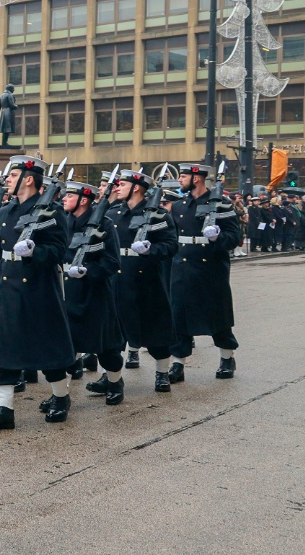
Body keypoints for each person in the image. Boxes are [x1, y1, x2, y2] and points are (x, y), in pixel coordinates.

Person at [0, 156, 74, 432]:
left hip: (38, 289)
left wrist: (35, 252)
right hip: (8, 287)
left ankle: (60, 397)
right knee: (4, 349)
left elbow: (59, 252)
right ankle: (4, 409)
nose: (6, 178)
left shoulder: (51, 212)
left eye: (12, 174)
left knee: (48, 348)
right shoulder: (5, 211)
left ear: (28, 179)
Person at [169, 163, 244, 382]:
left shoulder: (221, 203)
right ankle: (178, 363)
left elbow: (233, 236)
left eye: (183, 176)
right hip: (182, 266)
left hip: (210, 268)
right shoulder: (179, 205)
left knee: (216, 316)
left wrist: (216, 238)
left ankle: (227, 358)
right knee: (179, 317)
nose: (180, 180)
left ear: (197, 179)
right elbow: (173, 237)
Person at [106, 169, 179, 394]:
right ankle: (112, 379)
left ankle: (162, 373)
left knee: (155, 330)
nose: (117, 188)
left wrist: (151, 249)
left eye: (122, 185)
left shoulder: (157, 214)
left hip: (145, 280)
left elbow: (170, 245)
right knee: (112, 334)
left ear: (136, 188)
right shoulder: (113, 213)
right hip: (117, 279)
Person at [61, 181, 126, 406]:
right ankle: (60, 394)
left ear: (84, 200)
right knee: (66, 346)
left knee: (105, 346)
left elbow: (112, 262)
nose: (64, 199)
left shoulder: (104, 225)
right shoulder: (63, 222)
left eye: (70, 196)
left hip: (95, 293)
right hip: (68, 292)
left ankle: (115, 382)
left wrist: (88, 271)